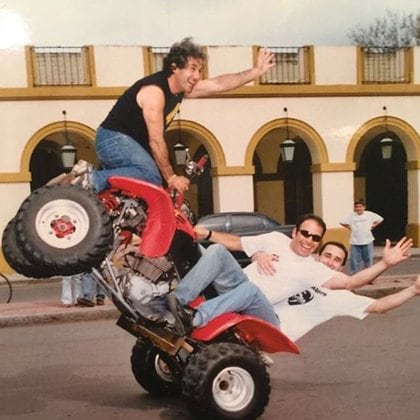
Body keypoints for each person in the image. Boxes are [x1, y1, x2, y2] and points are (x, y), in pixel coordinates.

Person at [55, 38, 275, 194]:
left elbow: (218, 83)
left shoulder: (182, 89)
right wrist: (171, 177)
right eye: (192, 69)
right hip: (113, 139)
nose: (197, 76)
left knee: (153, 185)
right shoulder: (155, 92)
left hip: (127, 143)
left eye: (200, 70)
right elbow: (156, 140)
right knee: (151, 175)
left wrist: (255, 72)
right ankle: (88, 178)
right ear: (174, 67)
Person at [167, 214, 412, 335]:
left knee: (252, 290)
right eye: (305, 233)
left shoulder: (314, 271)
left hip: (261, 312)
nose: (308, 240)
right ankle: (175, 301)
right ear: (295, 232)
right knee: (215, 251)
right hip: (236, 288)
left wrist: (386, 264)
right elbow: (237, 243)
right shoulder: (275, 239)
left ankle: (196, 318)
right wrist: (206, 235)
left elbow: (352, 282)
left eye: (315, 238)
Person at [340, 198, 383, 273]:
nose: (358, 208)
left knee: (368, 259)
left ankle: (368, 275)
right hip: (355, 241)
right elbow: (342, 222)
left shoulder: (369, 214)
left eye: (360, 206)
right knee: (354, 260)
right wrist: (349, 227)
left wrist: (374, 225)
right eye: (356, 207)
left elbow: (380, 219)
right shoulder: (351, 216)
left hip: (368, 240)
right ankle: (354, 274)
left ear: (364, 207)